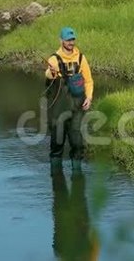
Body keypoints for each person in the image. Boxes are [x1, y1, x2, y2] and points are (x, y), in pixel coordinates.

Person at [45, 27, 94, 173]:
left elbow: (89, 81)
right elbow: (48, 74)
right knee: (57, 143)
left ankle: (77, 175)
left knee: (77, 143)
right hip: (58, 109)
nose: (71, 42)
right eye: (68, 40)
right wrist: (52, 72)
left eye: (72, 39)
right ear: (61, 41)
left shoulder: (81, 58)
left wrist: (89, 97)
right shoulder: (53, 59)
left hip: (77, 107)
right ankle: (56, 176)